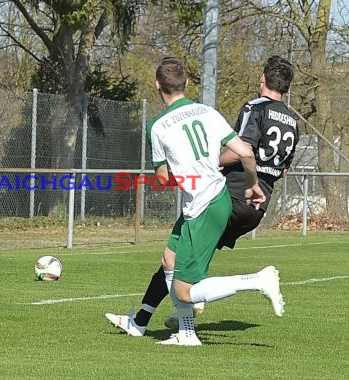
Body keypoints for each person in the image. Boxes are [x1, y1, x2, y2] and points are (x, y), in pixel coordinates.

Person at [105, 55, 297, 336]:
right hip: (254, 203)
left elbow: (243, 151)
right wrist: (256, 183)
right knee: (171, 259)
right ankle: (148, 324)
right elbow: (277, 166)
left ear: (158, 85)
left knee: (185, 284)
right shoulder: (288, 120)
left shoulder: (253, 109)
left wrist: (208, 165)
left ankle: (235, 288)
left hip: (223, 197)